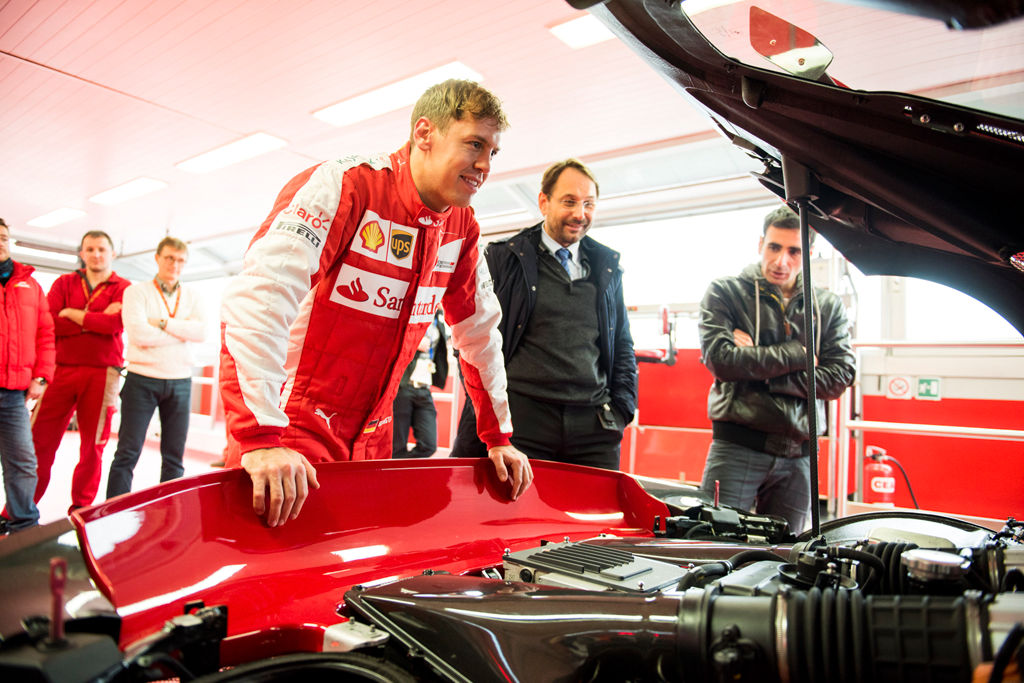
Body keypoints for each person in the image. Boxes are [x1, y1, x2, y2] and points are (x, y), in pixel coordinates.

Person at [219, 79, 533, 527]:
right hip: (289, 433)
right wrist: (261, 437)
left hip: (374, 437)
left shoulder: (463, 226)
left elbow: (480, 333)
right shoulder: (344, 184)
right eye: (474, 144)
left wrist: (498, 436)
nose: (484, 165)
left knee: (354, 581)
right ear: (424, 134)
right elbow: (259, 300)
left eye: (493, 153)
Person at [450, 159, 638, 470]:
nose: (580, 214)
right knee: (516, 517)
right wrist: (490, 414)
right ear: (543, 202)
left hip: (593, 427)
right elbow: (472, 341)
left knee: (595, 517)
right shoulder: (504, 259)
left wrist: (622, 410)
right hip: (523, 422)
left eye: (589, 203)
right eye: (569, 202)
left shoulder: (607, 268)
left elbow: (622, 346)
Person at [698, 205, 856, 532]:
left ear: (808, 254)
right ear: (760, 244)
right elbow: (722, 361)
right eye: (774, 247)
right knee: (715, 547)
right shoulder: (726, 291)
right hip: (737, 445)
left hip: (800, 456)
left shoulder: (827, 306)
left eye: (794, 251)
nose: (781, 261)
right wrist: (798, 354)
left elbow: (840, 376)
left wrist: (757, 362)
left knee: (785, 559)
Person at [31, 230, 130, 513]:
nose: (96, 254)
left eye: (101, 249)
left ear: (112, 253)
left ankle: (81, 510)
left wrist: (72, 314)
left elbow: (114, 325)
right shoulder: (64, 282)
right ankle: (20, 509)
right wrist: (94, 321)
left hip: (103, 373)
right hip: (60, 370)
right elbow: (51, 324)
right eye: (90, 249)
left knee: (92, 448)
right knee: (39, 442)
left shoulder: (123, 287)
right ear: (81, 254)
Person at [105, 237, 207, 498]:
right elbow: (140, 336)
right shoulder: (136, 292)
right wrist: (181, 331)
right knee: (128, 452)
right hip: (142, 379)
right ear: (158, 258)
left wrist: (161, 322)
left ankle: (169, 516)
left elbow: (200, 332)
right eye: (170, 258)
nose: (175, 264)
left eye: (181, 260)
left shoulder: (193, 295)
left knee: (174, 457)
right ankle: (112, 514)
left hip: (181, 381)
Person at [0, 218, 55, 534]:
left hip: (14, 392)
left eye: (4, 236)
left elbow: (46, 333)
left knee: (22, 462)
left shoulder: (29, 284)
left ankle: (23, 525)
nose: (0, 241)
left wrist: (42, 376)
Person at [392, 309, 446, 459]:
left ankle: (401, 468)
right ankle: (395, 475)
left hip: (424, 386)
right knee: (396, 446)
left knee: (429, 445)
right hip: (403, 385)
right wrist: (413, 342)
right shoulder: (413, 313)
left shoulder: (439, 318)